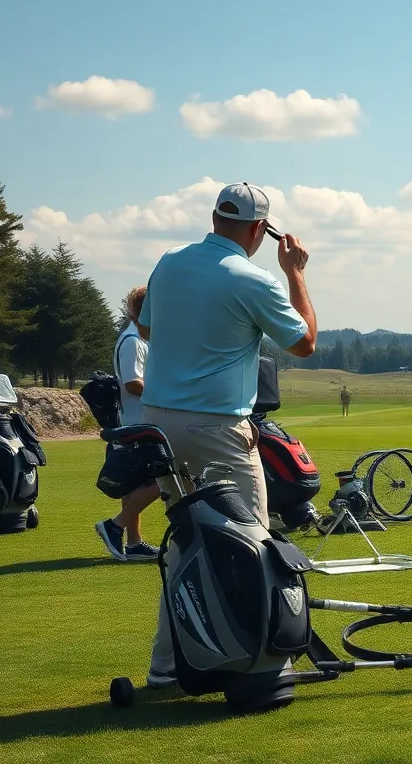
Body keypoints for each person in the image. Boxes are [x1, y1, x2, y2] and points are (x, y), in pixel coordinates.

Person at [135, 181, 317, 688]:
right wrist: (296, 274)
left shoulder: (170, 261)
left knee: (185, 543)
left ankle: (167, 666)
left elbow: (146, 327)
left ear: (215, 217)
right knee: (253, 539)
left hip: (156, 422)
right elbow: (304, 343)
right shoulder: (252, 278)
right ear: (260, 229)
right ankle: (265, 660)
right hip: (215, 426)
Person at [94, 286, 162, 561]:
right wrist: (165, 394)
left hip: (143, 421)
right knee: (166, 480)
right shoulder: (133, 340)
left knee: (137, 485)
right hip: (140, 422)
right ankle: (115, 525)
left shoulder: (141, 339)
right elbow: (132, 383)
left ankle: (133, 543)